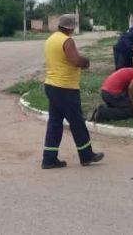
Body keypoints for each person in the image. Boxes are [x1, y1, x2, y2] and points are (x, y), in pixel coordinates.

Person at [41, 14, 104, 169]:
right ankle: (86, 155)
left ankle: (49, 159)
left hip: (51, 85)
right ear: (71, 27)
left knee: (55, 122)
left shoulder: (50, 39)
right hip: (65, 87)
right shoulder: (67, 41)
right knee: (77, 122)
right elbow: (75, 60)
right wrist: (86, 62)